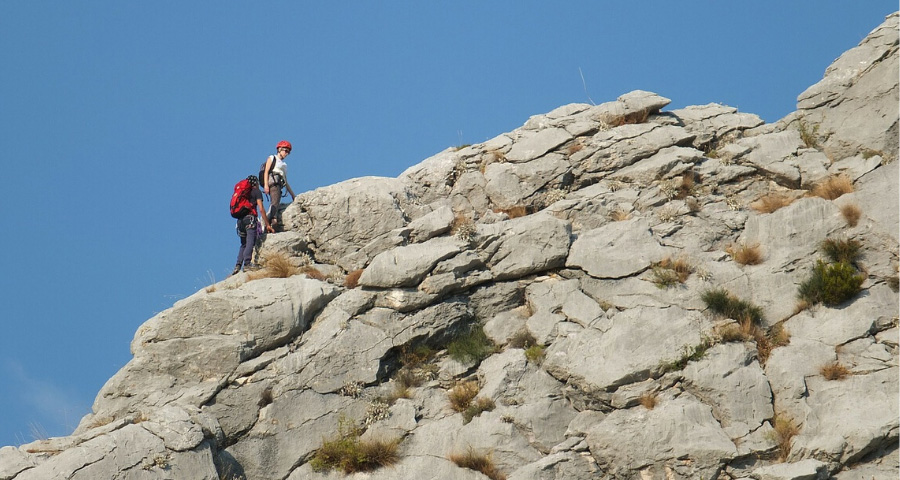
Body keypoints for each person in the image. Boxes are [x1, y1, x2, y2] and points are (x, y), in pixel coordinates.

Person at [232, 175, 274, 275]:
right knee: (250, 240)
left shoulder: (243, 194)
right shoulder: (256, 192)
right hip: (250, 219)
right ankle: (247, 264)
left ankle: (238, 266)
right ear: (256, 183)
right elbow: (261, 208)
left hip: (240, 221)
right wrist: (267, 224)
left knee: (243, 244)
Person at [262, 140, 297, 230]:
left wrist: (292, 194)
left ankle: (271, 221)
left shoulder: (284, 165)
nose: (286, 153)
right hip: (273, 182)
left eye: (288, 152)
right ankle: (270, 221)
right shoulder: (272, 158)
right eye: (285, 151)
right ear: (280, 149)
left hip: (279, 184)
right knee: (274, 202)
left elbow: (285, 181)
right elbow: (266, 171)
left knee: (275, 202)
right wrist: (266, 185)